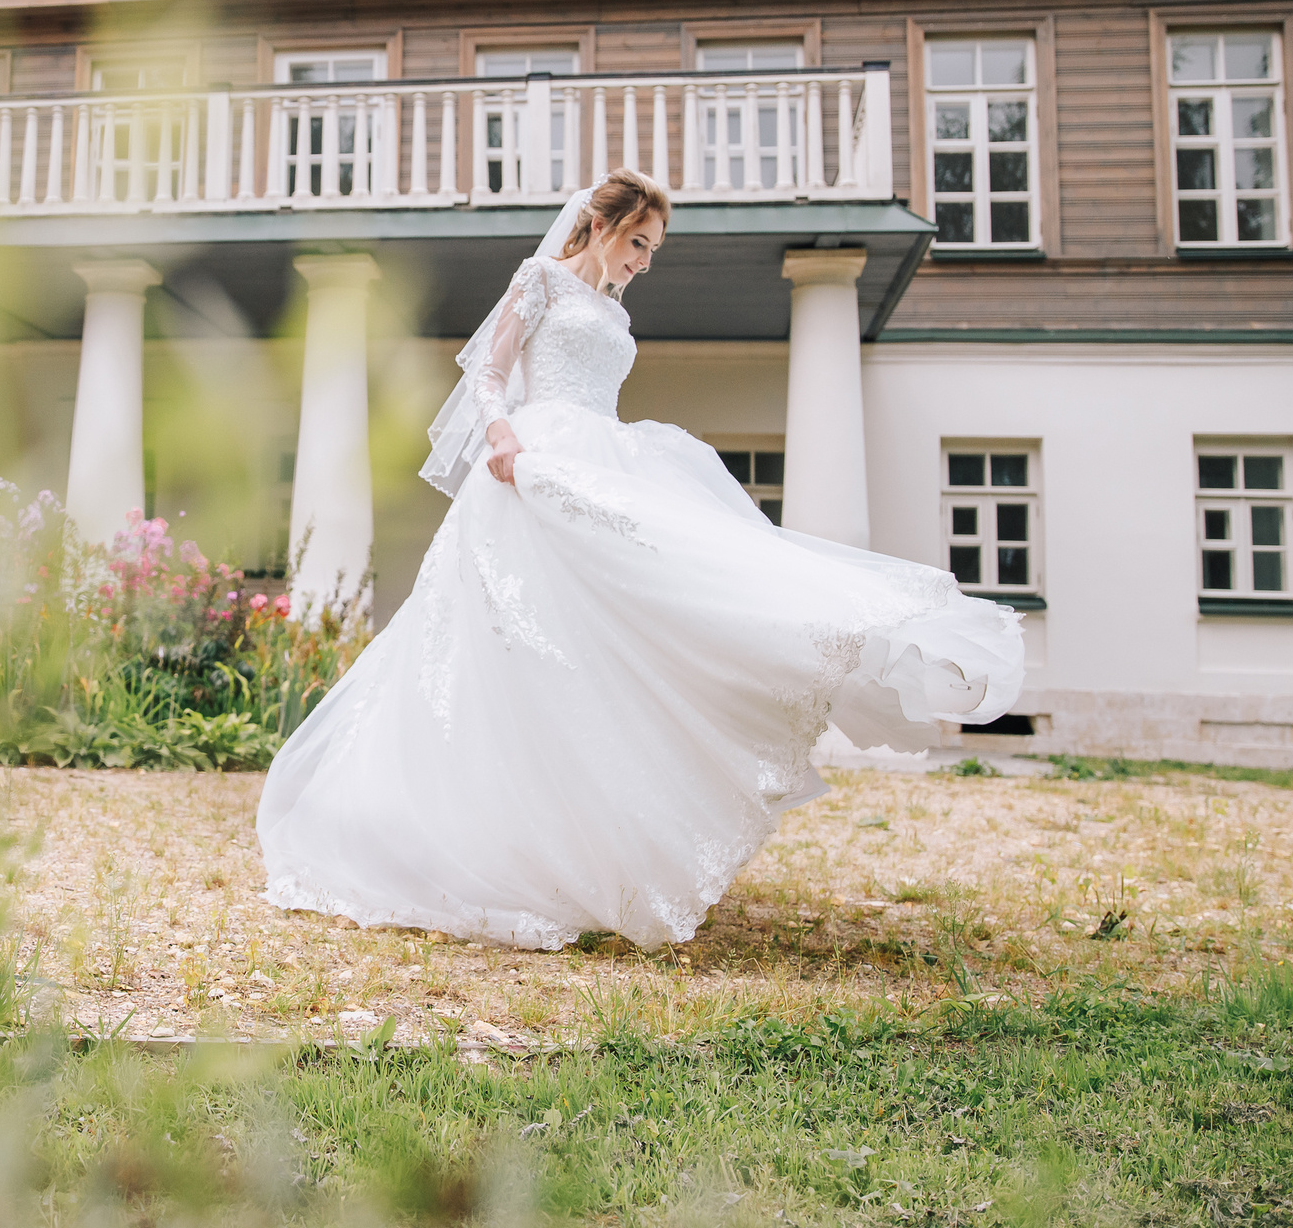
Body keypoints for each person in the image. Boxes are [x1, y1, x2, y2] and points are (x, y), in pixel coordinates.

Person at [256, 170, 1024, 950]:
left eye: (653, 249)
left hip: (601, 460)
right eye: (639, 243)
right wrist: (500, 433)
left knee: (617, 638)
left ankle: (582, 842)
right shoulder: (541, 280)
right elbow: (489, 374)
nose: (645, 262)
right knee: (503, 655)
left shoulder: (613, 309)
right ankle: (467, 840)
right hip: (530, 466)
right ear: (600, 226)